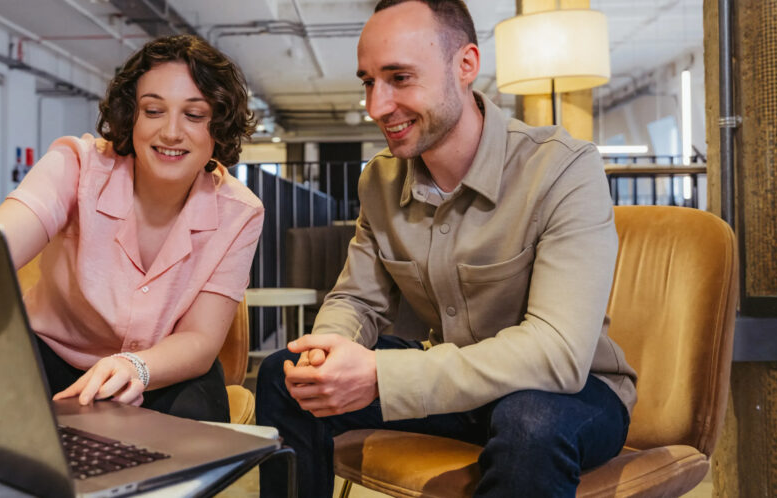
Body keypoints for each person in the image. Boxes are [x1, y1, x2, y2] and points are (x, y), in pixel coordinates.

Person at [256, 1, 637, 496]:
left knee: (530, 423)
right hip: (452, 381)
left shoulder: (563, 168)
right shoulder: (380, 179)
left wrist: (381, 376)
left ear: (466, 65)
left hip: (570, 391)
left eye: (400, 78)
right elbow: (356, 300)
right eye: (369, 82)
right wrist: (325, 355)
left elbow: (556, 352)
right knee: (284, 377)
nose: (376, 106)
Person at [0, 35, 264, 423]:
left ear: (218, 126)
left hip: (159, 368)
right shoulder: (77, 165)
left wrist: (136, 367)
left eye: (194, 115)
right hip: (49, 358)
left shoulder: (240, 212)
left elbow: (200, 339)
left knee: (196, 419)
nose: (171, 132)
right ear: (131, 116)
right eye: (153, 110)